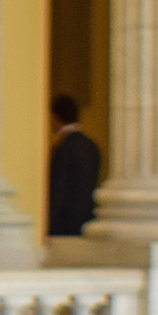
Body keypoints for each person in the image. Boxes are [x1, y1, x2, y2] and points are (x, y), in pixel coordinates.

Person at [47, 93, 101, 237]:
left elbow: (57, 187)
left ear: (55, 116)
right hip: (86, 218)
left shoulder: (63, 147)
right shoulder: (91, 146)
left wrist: (50, 222)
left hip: (63, 224)